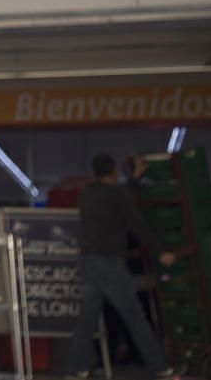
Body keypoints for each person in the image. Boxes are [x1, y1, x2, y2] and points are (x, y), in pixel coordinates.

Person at [65, 153, 183, 380]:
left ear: (94, 172)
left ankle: (74, 369)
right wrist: (161, 252)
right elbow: (137, 223)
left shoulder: (87, 195)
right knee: (135, 317)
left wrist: (133, 181)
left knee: (86, 321)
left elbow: (113, 199)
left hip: (88, 263)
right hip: (111, 264)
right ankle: (159, 367)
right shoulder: (118, 194)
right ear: (114, 171)